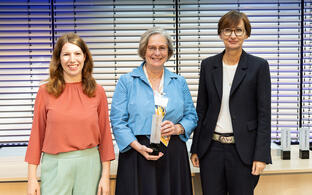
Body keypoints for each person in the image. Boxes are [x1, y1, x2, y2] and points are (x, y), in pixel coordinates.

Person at [190, 10, 272, 195]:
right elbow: (201, 109)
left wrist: (261, 156)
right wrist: (195, 148)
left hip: (243, 151)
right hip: (211, 149)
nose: (232, 35)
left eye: (238, 30)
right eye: (227, 30)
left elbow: (264, 115)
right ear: (220, 34)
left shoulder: (258, 66)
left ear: (246, 34)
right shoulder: (208, 65)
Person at [110, 27, 198, 195]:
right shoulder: (126, 81)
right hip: (136, 154)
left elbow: (191, 116)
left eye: (162, 48)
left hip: (172, 153)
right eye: (152, 48)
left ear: (169, 52)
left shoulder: (179, 82)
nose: (157, 53)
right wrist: (138, 147)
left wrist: (177, 128)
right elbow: (117, 121)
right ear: (144, 50)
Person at [25, 32, 115, 195]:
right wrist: (31, 178)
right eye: (66, 54)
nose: (72, 59)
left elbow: (105, 136)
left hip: (90, 165)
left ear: (85, 57)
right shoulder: (45, 92)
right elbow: (36, 136)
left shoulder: (98, 92)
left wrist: (105, 176)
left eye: (77, 54)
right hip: (55, 165)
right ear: (58, 59)